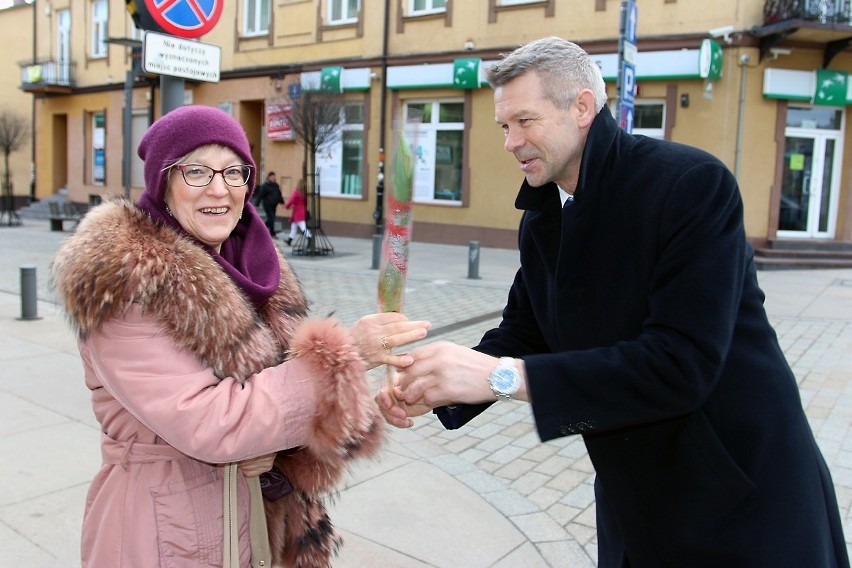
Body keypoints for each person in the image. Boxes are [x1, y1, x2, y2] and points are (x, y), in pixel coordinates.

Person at [379, 37, 850, 567]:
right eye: (503, 127)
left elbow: (680, 365)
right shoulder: (543, 220)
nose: (510, 142)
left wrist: (499, 378)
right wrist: (438, 384)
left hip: (740, 503)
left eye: (525, 121)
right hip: (635, 504)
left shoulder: (689, 186)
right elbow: (522, 332)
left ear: (581, 108)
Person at [50, 105, 430, 567]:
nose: (220, 189)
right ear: (162, 183)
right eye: (196, 171)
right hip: (167, 531)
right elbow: (212, 422)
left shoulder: (254, 265)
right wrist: (343, 357)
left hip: (260, 520)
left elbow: (275, 397)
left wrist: (334, 411)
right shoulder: (127, 282)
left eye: (234, 171)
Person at [283, 178, 311, 246]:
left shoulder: (296, 192)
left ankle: (310, 238)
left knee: (303, 227)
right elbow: (306, 203)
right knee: (293, 227)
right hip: (302, 212)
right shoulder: (304, 193)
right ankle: (289, 240)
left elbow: (291, 200)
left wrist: (286, 206)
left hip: (297, 213)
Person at [256, 170, 283, 236]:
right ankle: (262, 230)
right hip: (267, 205)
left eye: (274, 177)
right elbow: (260, 195)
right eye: (272, 177)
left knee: (272, 219)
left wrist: (282, 202)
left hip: (274, 205)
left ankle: (271, 232)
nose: (273, 178)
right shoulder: (265, 186)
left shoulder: (276, 185)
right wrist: (257, 203)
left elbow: (279, 194)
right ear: (268, 177)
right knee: (271, 218)